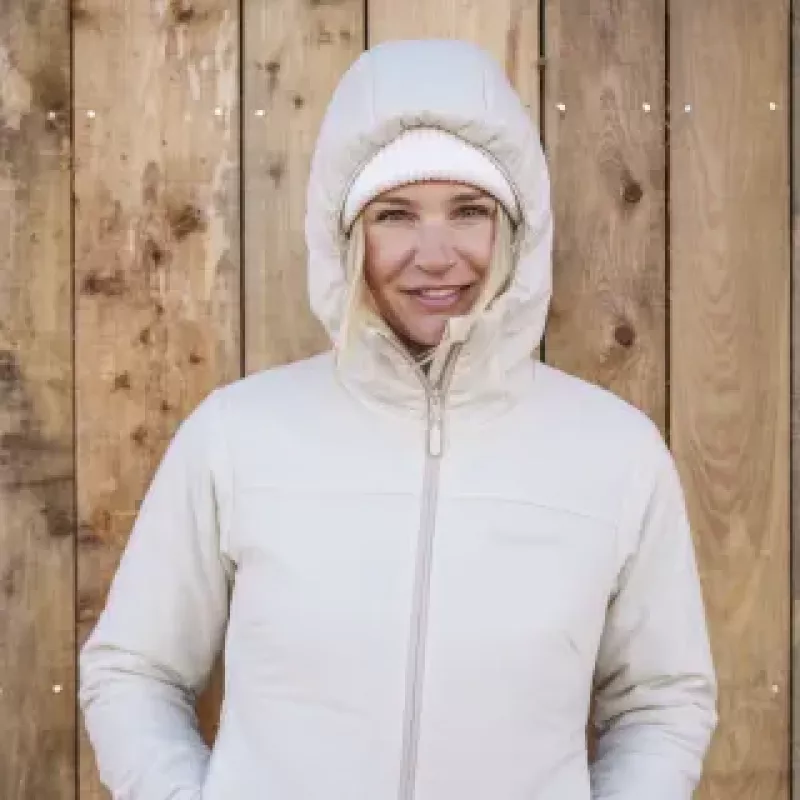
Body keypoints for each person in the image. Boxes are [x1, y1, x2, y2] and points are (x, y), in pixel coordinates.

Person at [80, 38, 717, 800]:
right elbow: (133, 672)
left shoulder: (616, 455)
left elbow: (661, 702)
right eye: (396, 215)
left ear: (516, 229)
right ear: (348, 234)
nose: (435, 254)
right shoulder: (236, 438)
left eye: (470, 211)